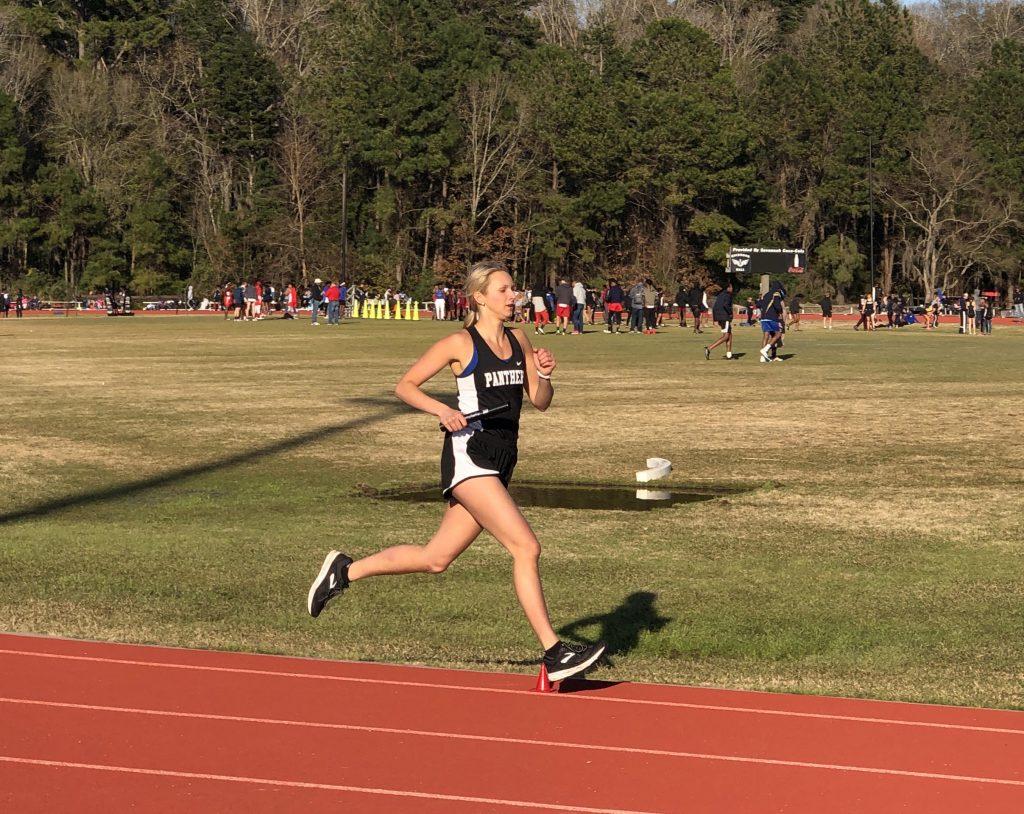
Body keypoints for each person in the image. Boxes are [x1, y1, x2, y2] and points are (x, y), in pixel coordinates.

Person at [306, 261, 606, 682]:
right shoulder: (459, 343)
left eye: (513, 289)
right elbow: (405, 386)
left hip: (502, 459)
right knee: (526, 547)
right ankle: (554, 652)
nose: (512, 296)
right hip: (470, 456)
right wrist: (445, 410)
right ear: (480, 297)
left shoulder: (520, 339)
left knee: (436, 559)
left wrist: (543, 373)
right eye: (503, 290)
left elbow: (540, 401)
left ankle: (345, 570)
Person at [704, 282, 734, 360]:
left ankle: (728, 354)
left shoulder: (720, 295)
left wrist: (715, 319)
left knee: (729, 334)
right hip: (725, 317)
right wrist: (730, 313)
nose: (732, 289)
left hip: (720, 317)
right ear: (728, 288)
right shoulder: (727, 295)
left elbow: (715, 307)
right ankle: (709, 348)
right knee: (726, 336)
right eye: (731, 287)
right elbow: (726, 305)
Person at [758, 284, 785, 362]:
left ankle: (762, 357)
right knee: (778, 334)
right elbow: (777, 306)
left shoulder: (766, 295)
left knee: (766, 336)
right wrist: (780, 311)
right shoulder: (776, 294)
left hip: (763, 318)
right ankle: (765, 350)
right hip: (772, 317)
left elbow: (758, 304)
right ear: (779, 289)